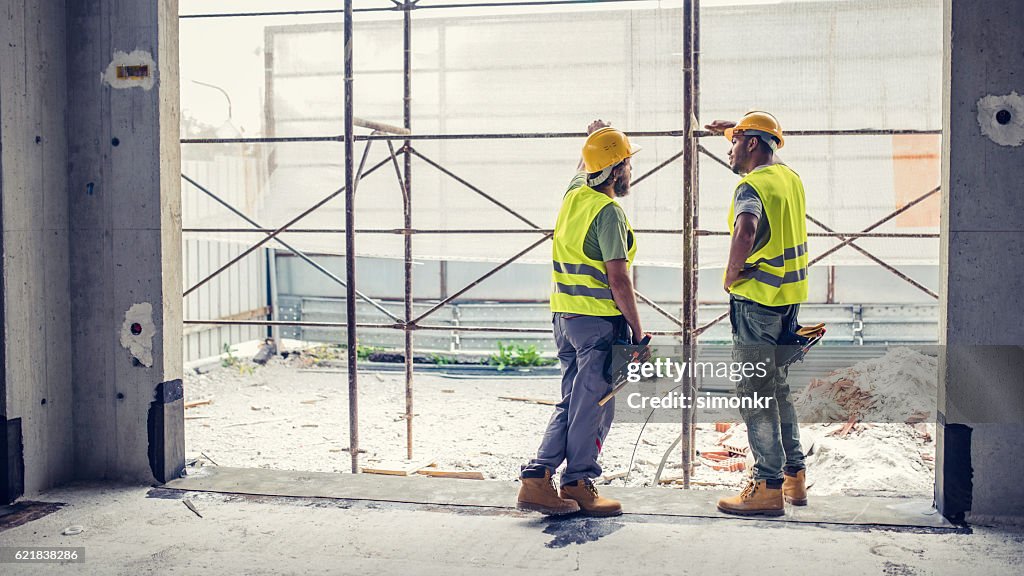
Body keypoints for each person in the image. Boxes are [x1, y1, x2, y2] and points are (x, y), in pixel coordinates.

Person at [516, 120, 648, 517]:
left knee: (574, 400)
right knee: (596, 405)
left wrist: (596, 138)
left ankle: (538, 478)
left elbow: (582, 168)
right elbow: (619, 280)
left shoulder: (574, 195)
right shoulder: (608, 213)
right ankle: (578, 481)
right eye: (627, 163)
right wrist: (638, 334)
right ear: (617, 170)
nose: (630, 171)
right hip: (597, 324)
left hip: (565, 318)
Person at [706, 111, 810, 516]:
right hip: (787, 302)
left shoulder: (751, 186)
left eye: (735, 142)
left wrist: (731, 273)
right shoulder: (790, 179)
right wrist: (735, 128)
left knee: (756, 393)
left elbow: (746, 229)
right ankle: (793, 479)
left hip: (757, 305)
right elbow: (764, 149)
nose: (729, 149)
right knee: (778, 389)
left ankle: (767, 485)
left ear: (751, 144)